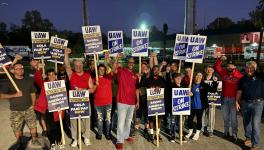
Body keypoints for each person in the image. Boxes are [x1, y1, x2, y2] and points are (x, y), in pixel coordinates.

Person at [0, 62, 41, 149]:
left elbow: (33, 93)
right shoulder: (9, 82)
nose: (20, 70)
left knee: (32, 125)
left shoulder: (28, 80)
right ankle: (19, 142)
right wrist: (14, 95)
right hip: (16, 110)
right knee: (17, 128)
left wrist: (33, 105)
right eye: (17, 69)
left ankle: (34, 139)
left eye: (21, 68)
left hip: (28, 108)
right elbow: (1, 95)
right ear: (13, 71)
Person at [64, 48, 95, 147]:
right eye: (76, 65)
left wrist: (83, 90)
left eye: (79, 65)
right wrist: (66, 54)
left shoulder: (87, 75)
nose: (77, 67)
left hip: (85, 102)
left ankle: (86, 137)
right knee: (73, 121)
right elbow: (67, 65)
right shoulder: (71, 75)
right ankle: (75, 138)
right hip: (74, 103)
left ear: (82, 65)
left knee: (86, 120)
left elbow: (92, 89)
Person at [236, 61, 264, 150]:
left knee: (255, 124)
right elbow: (239, 91)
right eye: (248, 67)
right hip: (245, 103)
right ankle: (248, 137)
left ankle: (255, 145)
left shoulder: (261, 76)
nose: (249, 69)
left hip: (258, 104)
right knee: (246, 122)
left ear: (255, 69)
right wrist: (236, 101)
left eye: (251, 68)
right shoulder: (242, 79)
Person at [34, 68, 65, 148]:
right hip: (49, 109)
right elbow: (37, 79)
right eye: (49, 74)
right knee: (50, 127)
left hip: (59, 109)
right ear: (47, 76)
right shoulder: (45, 84)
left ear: (55, 75)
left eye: (53, 74)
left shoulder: (60, 84)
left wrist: (63, 107)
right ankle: (52, 141)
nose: (51, 76)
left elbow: (63, 96)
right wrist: (38, 70)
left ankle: (59, 140)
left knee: (59, 125)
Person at [214, 55, 243, 141]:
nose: (229, 67)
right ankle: (226, 132)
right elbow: (217, 67)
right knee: (225, 117)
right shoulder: (224, 72)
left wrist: (239, 100)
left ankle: (234, 134)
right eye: (228, 66)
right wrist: (220, 59)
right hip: (224, 98)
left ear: (235, 66)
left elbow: (241, 89)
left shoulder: (239, 76)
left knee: (234, 118)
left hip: (234, 100)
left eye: (231, 66)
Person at [114, 56, 140, 150]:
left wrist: (137, 101)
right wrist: (116, 59)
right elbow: (114, 69)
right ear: (127, 62)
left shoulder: (135, 75)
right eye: (129, 62)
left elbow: (136, 89)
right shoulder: (121, 71)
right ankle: (119, 141)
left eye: (133, 62)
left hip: (132, 102)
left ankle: (125, 136)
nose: (131, 64)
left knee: (128, 121)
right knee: (121, 122)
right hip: (122, 101)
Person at [185, 71, 218, 141]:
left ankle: (197, 133)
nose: (198, 76)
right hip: (192, 105)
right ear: (195, 76)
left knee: (199, 120)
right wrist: (190, 94)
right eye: (197, 75)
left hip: (200, 106)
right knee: (190, 119)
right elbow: (190, 94)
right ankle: (190, 132)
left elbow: (213, 90)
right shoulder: (191, 84)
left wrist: (215, 82)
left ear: (202, 77)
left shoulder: (204, 85)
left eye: (200, 75)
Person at [93, 64, 116, 140]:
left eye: (103, 70)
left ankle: (107, 133)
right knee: (99, 120)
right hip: (98, 103)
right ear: (97, 70)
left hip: (108, 103)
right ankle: (99, 133)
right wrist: (95, 85)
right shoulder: (94, 79)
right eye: (100, 69)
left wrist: (116, 59)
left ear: (105, 71)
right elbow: (91, 90)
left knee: (108, 119)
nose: (102, 71)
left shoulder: (108, 78)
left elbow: (113, 69)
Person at [145, 65, 166, 142]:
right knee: (151, 119)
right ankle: (151, 134)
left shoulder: (161, 79)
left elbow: (164, 87)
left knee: (159, 119)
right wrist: (152, 87)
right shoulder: (148, 79)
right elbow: (146, 86)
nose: (156, 71)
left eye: (157, 70)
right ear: (152, 71)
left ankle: (157, 134)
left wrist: (159, 87)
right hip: (151, 102)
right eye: (154, 70)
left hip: (159, 102)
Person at [202, 65, 219, 137]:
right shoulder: (202, 78)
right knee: (202, 114)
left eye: (211, 70)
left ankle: (210, 130)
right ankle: (202, 128)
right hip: (203, 99)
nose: (209, 71)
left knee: (211, 115)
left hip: (212, 100)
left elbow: (218, 90)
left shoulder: (216, 79)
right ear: (206, 71)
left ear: (213, 70)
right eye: (208, 70)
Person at [169, 73, 187, 143]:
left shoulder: (184, 86)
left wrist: (191, 94)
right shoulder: (171, 86)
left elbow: (188, 96)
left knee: (180, 122)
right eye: (177, 78)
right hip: (173, 107)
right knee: (173, 122)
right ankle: (172, 135)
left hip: (182, 108)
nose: (179, 79)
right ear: (174, 79)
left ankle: (181, 135)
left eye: (180, 78)